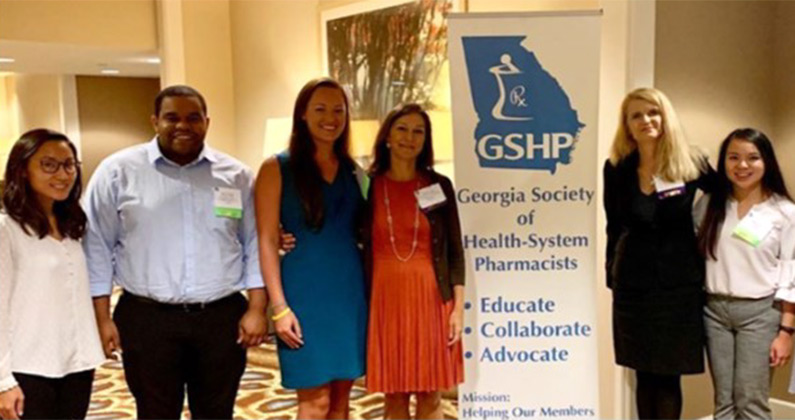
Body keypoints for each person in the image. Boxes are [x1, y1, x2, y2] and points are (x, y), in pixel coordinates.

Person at [82, 85, 267, 419]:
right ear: (155, 121)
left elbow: (255, 242)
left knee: (216, 412)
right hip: (146, 318)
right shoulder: (117, 172)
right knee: (155, 412)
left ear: (207, 123)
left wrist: (257, 308)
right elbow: (96, 246)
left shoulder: (237, 176)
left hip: (220, 317)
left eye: (193, 118)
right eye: (172, 117)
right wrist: (102, 317)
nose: (183, 125)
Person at [254, 78, 367, 419]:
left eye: (338, 110)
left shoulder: (354, 170)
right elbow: (267, 239)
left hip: (349, 295)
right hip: (303, 295)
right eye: (320, 109)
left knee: (341, 398)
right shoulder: (276, 168)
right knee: (314, 401)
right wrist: (278, 307)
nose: (330, 117)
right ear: (303, 114)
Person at [603, 87, 714, 419]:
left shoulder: (691, 161)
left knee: (667, 376)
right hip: (632, 287)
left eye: (653, 112)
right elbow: (613, 225)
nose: (646, 120)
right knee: (642, 373)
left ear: (665, 117)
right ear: (627, 124)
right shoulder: (617, 168)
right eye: (636, 115)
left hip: (677, 287)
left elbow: (728, 199)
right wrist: (611, 273)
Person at [363, 103, 464, 419]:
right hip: (385, 299)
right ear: (388, 137)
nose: (410, 137)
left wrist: (458, 310)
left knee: (430, 394)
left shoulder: (438, 185)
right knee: (394, 396)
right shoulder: (366, 186)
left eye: (418, 131)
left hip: (431, 298)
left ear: (426, 140)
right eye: (402, 129)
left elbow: (454, 252)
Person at [0, 129, 105, 420]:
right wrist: (2, 381)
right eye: (49, 165)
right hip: (28, 366)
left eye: (69, 164)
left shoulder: (73, 227)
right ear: (22, 170)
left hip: (76, 362)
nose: (63, 174)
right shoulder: (6, 230)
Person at [696, 128, 795, 419]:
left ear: (767, 163)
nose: (742, 165)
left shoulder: (784, 212)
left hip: (761, 313)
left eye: (753, 158)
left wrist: (786, 332)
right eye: (733, 157)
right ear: (723, 162)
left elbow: (792, 273)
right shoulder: (710, 205)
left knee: (751, 402)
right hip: (714, 312)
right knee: (724, 402)